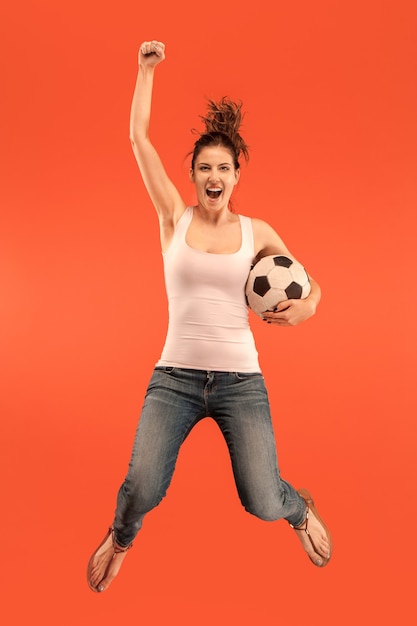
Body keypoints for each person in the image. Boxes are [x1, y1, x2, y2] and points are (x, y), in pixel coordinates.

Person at [87, 40, 332, 593]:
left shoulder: (258, 234)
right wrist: (145, 71)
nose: (213, 175)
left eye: (224, 167)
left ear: (236, 175)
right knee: (140, 488)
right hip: (174, 378)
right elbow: (137, 140)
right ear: (194, 176)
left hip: (240, 383)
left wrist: (305, 310)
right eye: (204, 168)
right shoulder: (173, 217)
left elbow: (313, 287)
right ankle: (122, 537)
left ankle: (299, 510)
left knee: (262, 499)